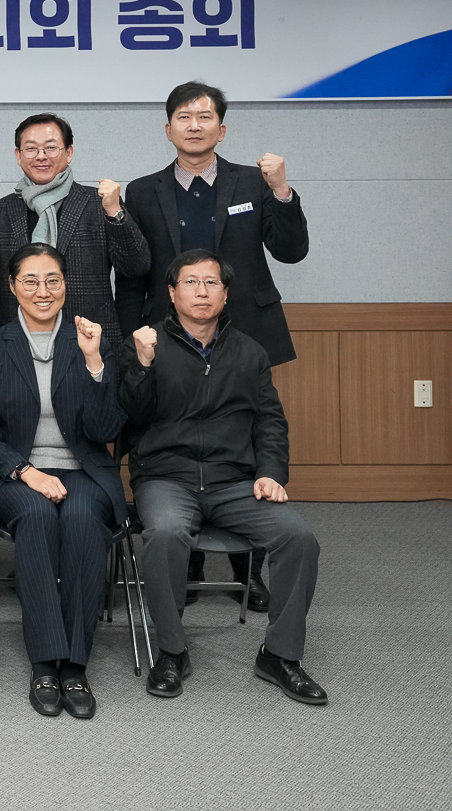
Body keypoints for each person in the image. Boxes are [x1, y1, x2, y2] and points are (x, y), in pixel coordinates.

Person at [116, 81, 309, 610]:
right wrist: (129, 337)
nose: (194, 125)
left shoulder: (253, 181)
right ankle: (186, 560)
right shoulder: (143, 191)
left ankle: (250, 572)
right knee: (172, 434)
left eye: (204, 117)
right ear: (168, 129)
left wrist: (283, 191)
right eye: (184, 116)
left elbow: (291, 251)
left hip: (245, 333)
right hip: (169, 337)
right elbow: (134, 273)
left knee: (243, 441)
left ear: (221, 129)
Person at [121, 250, 326, 705]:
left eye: (211, 283)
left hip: (234, 482)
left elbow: (270, 422)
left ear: (226, 294)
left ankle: (280, 655)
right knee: (166, 534)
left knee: (298, 538)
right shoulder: (144, 343)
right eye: (190, 282)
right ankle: (172, 651)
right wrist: (142, 365)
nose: (202, 292)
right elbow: (130, 416)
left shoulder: (250, 352)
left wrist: (270, 473)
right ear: (172, 292)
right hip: (166, 478)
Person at [0, 243, 129, 719]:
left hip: (83, 470)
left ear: (66, 284)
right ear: (12, 286)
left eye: (53, 280)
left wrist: (95, 363)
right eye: (31, 281)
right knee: (37, 516)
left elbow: (105, 430)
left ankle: (74, 665)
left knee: (81, 520)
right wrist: (29, 473)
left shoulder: (90, 340)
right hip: (14, 473)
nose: (43, 291)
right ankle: (44, 662)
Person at [0, 113, 149, 345]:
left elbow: (136, 267)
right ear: (18, 155)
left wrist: (115, 212)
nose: (41, 156)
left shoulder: (98, 203)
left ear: (69, 152)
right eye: (31, 149)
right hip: (16, 342)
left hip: (88, 339)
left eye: (51, 148)